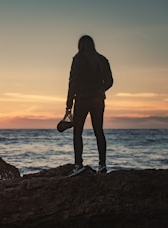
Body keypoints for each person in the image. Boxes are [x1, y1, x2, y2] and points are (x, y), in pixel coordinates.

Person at [66, 35, 113, 176]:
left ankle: (78, 165)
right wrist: (99, 90)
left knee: (77, 132)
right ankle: (102, 164)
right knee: (99, 131)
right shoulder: (102, 59)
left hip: (82, 99)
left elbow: (72, 82)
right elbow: (110, 81)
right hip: (98, 100)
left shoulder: (78, 59)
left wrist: (68, 105)